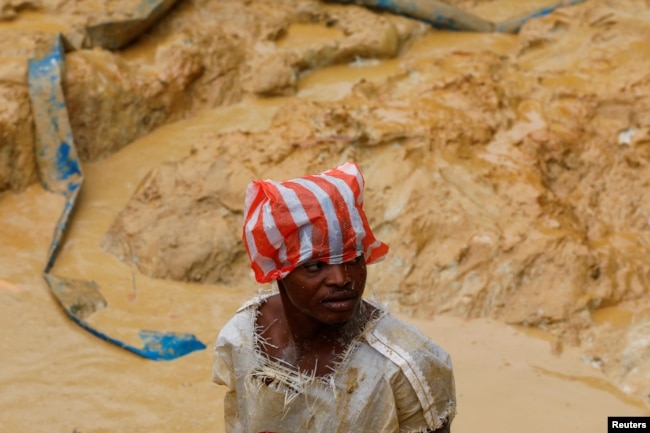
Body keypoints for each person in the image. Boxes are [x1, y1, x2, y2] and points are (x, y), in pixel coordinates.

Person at [212, 161, 456, 432]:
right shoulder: (243, 337)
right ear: (279, 271)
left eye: (353, 259)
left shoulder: (404, 364)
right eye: (315, 266)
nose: (342, 279)